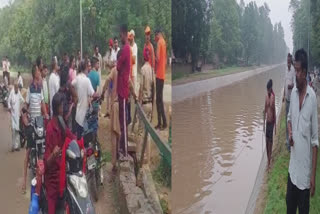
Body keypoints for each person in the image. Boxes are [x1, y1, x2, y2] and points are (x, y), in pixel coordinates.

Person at [286, 49, 318, 213]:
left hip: (305, 178)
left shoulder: (312, 99)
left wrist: (313, 176)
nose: (295, 73)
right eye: (294, 69)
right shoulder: (293, 95)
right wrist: (290, 134)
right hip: (292, 173)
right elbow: (289, 119)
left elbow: (315, 142)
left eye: (297, 70)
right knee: (289, 210)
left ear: (304, 72)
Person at [44, 92, 75, 214]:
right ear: (58, 108)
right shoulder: (50, 128)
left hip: (64, 173)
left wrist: (81, 145)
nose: (65, 108)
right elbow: (47, 163)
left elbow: (71, 136)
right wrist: (54, 155)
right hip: (53, 177)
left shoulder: (62, 124)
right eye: (63, 105)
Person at [22, 64, 49, 193]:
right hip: (32, 124)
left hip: (39, 123)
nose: (40, 73)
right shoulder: (30, 89)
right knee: (28, 152)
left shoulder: (40, 89)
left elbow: (42, 104)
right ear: (35, 74)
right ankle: (23, 180)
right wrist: (25, 116)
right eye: (38, 71)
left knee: (42, 151)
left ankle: (42, 177)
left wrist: (46, 114)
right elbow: (26, 106)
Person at [117, 24, 131, 160]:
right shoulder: (125, 49)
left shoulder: (126, 49)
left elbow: (118, 66)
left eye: (121, 35)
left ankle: (125, 151)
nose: (120, 37)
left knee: (124, 121)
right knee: (121, 120)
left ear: (124, 34)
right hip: (121, 90)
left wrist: (117, 63)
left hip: (123, 90)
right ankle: (122, 147)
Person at [72, 59, 95, 139]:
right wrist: (98, 95)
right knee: (85, 137)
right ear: (85, 68)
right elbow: (93, 94)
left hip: (78, 113)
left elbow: (71, 85)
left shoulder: (77, 78)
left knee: (78, 136)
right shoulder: (87, 80)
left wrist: (75, 96)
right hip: (85, 114)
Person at [139, 47, 154, 163]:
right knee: (148, 133)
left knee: (141, 131)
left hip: (143, 103)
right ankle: (148, 159)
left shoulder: (143, 69)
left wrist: (139, 103)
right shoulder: (152, 70)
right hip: (150, 103)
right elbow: (153, 89)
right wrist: (153, 106)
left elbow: (140, 88)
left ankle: (141, 157)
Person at [154, 29, 167, 130]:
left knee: (159, 100)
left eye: (155, 36)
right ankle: (162, 122)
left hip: (159, 75)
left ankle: (162, 123)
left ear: (158, 34)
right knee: (159, 99)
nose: (155, 38)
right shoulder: (164, 42)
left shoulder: (159, 43)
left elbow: (158, 58)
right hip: (162, 74)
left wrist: (154, 57)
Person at [59, 65, 78, 131]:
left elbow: (75, 97)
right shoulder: (60, 84)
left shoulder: (69, 84)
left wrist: (70, 110)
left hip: (68, 112)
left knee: (68, 130)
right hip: (62, 112)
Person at [8, 81, 25, 151]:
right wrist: (9, 107)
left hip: (17, 115)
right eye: (16, 88)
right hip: (12, 114)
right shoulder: (11, 93)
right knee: (13, 129)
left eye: (17, 88)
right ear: (14, 87)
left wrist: (25, 104)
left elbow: (22, 100)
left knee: (17, 130)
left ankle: (16, 146)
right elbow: (9, 101)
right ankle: (13, 145)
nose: (16, 89)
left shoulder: (18, 93)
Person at [283, 53, 295, 152]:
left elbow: (295, 84)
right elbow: (284, 82)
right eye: (287, 60)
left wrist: (291, 86)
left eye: (289, 60)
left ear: (291, 61)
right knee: (287, 120)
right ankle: (287, 141)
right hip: (286, 99)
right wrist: (283, 95)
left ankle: (292, 140)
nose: (288, 62)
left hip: (292, 100)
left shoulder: (294, 71)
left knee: (291, 121)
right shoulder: (285, 70)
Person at [264, 79, 276, 171]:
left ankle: (269, 162)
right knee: (266, 140)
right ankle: (268, 159)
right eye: (267, 89)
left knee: (270, 142)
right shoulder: (266, 96)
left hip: (271, 121)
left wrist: (275, 126)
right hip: (267, 122)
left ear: (270, 88)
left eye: (268, 89)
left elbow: (274, 110)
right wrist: (263, 123)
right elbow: (264, 109)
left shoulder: (273, 96)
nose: (268, 90)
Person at [129, 29, 138, 95]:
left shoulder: (135, 46)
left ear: (133, 36)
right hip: (129, 71)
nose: (130, 37)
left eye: (131, 36)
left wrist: (128, 56)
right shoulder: (129, 46)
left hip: (133, 72)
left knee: (133, 90)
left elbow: (133, 60)